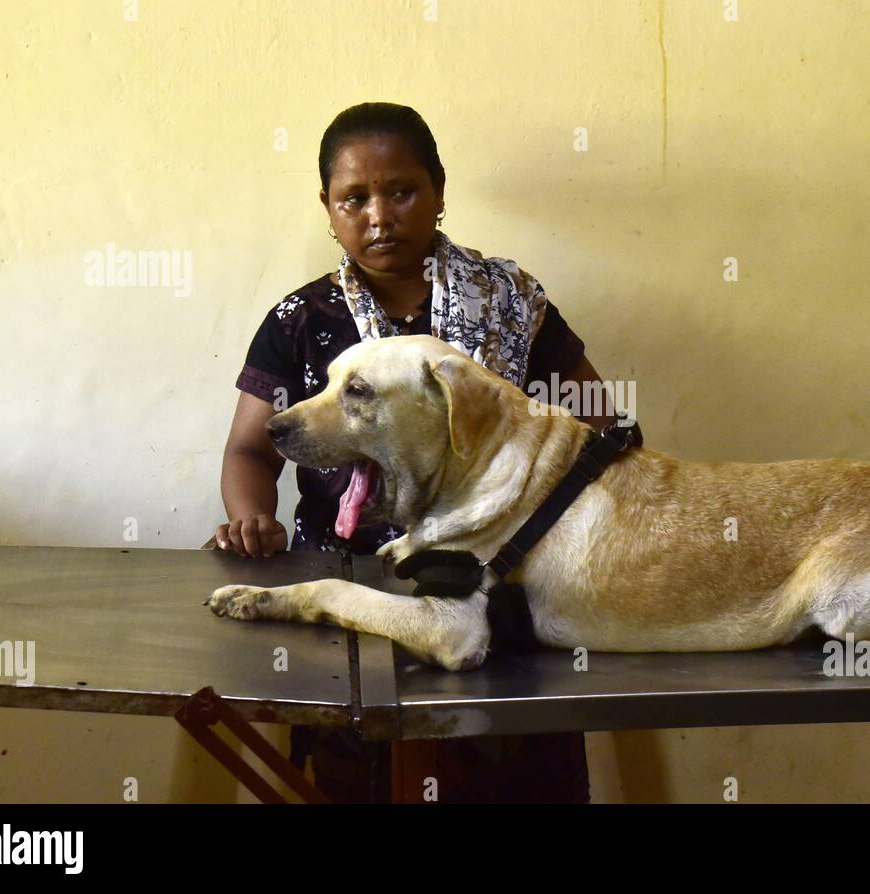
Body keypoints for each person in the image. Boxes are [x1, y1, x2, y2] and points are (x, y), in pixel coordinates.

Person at [216, 101, 614, 803]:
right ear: (328, 207)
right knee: (360, 778)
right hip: (349, 590)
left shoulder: (511, 303)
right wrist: (252, 517)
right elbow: (252, 450)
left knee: (517, 777)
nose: (378, 216)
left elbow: (598, 430)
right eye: (354, 198)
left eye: (401, 191)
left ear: (437, 189)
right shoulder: (302, 320)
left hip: (502, 590)